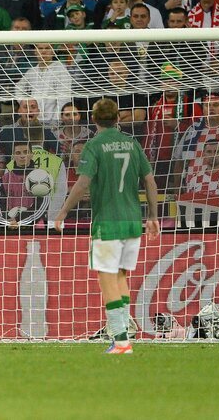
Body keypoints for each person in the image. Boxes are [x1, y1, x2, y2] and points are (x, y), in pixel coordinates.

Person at [54, 98, 160, 355]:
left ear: (93, 119)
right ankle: (125, 332)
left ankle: (121, 340)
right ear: (117, 118)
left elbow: (82, 183)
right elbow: (150, 180)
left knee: (107, 278)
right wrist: (153, 216)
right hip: (132, 221)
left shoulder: (94, 145)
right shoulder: (133, 144)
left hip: (108, 222)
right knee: (121, 275)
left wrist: (64, 211)